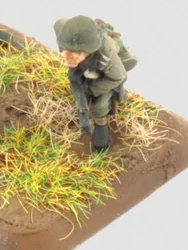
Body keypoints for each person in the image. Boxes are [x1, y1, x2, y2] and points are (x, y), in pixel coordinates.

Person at [54, 15, 136, 153]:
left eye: (76, 53)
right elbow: (60, 22)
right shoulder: (66, 36)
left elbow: (119, 77)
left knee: (99, 107)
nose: (69, 56)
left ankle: (102, 130)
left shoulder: (106, 54)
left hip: (107, 76)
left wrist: (91, 89)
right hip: (86, 66)